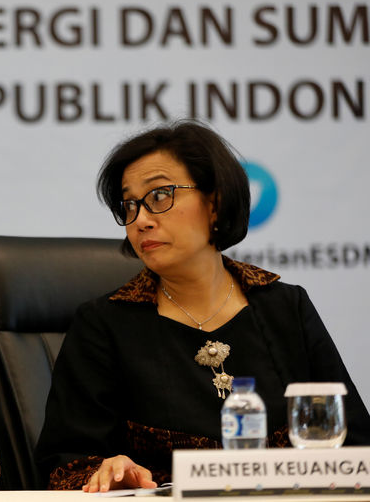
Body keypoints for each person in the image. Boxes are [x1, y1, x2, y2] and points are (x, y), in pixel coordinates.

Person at [34, 120, 370, 492]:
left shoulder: (285, 306)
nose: (141, 219)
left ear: (215, 203)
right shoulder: (104, 325)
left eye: (159, 195)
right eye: (129, 205)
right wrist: (107, 473)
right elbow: (63, 468)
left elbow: (355, 446)